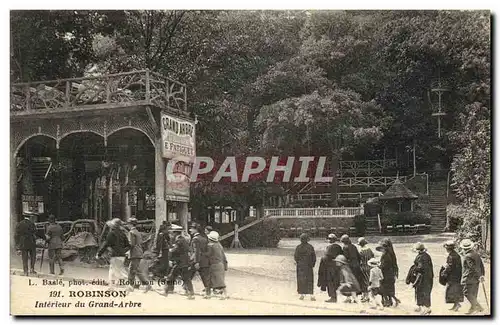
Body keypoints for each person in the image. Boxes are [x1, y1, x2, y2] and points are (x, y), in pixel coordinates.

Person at [96, 218, 130, 291]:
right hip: (122, 255)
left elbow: (106, 244)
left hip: (115, 255)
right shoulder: (123, 233)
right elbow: (128, 245)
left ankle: (128, 284)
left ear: (113, 226)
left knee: (119, 271)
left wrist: (99, 254)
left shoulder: (111, 233)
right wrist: (123, 251)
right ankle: (111, 287)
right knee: (113, 270)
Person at [165, 233, 194, 299]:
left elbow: (173, 251)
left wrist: (170, 250)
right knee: (187, 279)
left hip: (179, 264)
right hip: (185, 264)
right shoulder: (186, 246)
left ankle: (166, 291)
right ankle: (191, 293)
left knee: (170, 277)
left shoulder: (178, 243)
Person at [460, 239, 485, 314]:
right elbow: (481, 265)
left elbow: (472, 268)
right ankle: (473, 308)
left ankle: (478, 307)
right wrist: (481, 275)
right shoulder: (475, 254)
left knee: (466, 292)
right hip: (476, 278)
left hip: (469, 278)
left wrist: (479, 276)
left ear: (464, 248)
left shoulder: (467, 256)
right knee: (473, 293)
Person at [126, 218, 151, 292]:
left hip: (134, 253)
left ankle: (132, 286)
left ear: (130, 224)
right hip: (138, 252)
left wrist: (126, 250)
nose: (127, 225)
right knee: (135, 270)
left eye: (128, 224)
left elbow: (131, 244)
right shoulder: (137, 232)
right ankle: (145, 285)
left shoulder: (131, 232)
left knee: (132, 270)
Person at [318, 234, 343, 303]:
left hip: (330, 267)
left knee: (330, 282)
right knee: (336, 281)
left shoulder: (329, 247)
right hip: (337, 266)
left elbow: (327, 257)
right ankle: (335, 296)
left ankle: (333, 297)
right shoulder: (339, 247)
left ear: (331, 240)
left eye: (329, 239)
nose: (328, 240)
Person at [188, 222, 211, 297]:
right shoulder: (204, 238)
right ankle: (208, 293)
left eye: (191, 228)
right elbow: (208, 250)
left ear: (196, 230)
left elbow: (196, 251)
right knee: (205, 277)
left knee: (188, 275)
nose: (190, 229)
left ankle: (188, 291)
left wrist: (196, 262)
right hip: (204, 261)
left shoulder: (195, 239)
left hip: (196, 261)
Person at [377, 239, 401, 307]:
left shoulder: (385, 256)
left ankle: (386, 302)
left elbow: (384, 266)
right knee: (389, 288)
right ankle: (390, 301)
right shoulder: (391, 253)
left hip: (386, 274)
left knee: (383, 288)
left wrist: (378, 265)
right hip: (391, 274)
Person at [441, 240, 464, 311]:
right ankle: (456, 304)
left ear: (448, 249)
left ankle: (457, 304)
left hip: (453, 276)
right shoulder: (455, 254)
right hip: (457, 275)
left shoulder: (451, 256)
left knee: (452, 290)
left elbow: (450, 267)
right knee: (455, 290)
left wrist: (444, 272)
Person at [412, 242, 434, 315]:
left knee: (422, 291)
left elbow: (420, 268)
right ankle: (420, 306)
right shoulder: (426, 255)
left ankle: (426, 308)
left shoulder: (421, 257)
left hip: (423, 277)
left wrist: (414, 269)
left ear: (418, 250)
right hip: (428, 276)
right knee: (423, 291)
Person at [294, 233, 316, 301]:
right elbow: (314, 257)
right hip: (308, 266)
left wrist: (299, 263)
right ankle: (311, 295)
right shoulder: (310, 247)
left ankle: (302, 295)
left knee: (301, 280)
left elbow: (296, 257)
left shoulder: (298, 247)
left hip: (300, 266)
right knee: (309, 280)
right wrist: (312, 264)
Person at [207, 231, 228, 300]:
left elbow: (208, 255)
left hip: (214, 265)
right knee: (213, 280)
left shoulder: (210, 246)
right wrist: (225, 265)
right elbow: (223, 256)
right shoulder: (219, 245)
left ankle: (224, 294)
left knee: (218, 281)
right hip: (220, 264)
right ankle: (208, 294)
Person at [340, 234, 362, 301]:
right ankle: (356, 298)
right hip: (357, 266)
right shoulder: (354, 246)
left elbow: (345, 258)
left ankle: (348, 298)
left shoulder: (345, 247)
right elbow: (359, 256)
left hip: (350, 266)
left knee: (348, 282)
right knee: (356, 281)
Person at [358, 237, 374, 302]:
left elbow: (359, 260)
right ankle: (365, 295)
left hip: (363, 267)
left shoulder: (360, 251)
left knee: (363, 282)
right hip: (369, 267)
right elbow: (372, 256)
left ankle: (366, 296)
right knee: (368, 281)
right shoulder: (369, 250)